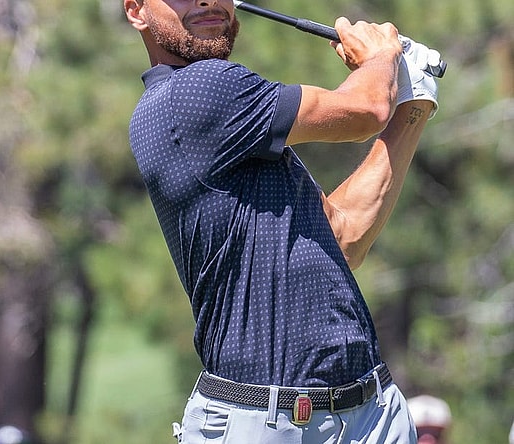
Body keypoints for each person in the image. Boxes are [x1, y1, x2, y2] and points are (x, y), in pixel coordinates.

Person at [123, 0, 440, 442]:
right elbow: (367, 109)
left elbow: (344, 237)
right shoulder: (198, 89)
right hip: (267, 422)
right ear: (136, 11)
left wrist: (414, 101)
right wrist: (382, 55)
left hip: (372, 414)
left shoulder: (232, 128)